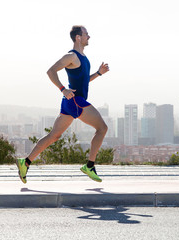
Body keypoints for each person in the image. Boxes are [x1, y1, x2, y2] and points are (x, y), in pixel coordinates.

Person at [16, 25, 109, 183]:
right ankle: (90, 165)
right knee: (102, 128)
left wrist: (99, 73)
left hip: (70, 102)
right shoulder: (71, 56)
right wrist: (62, 89)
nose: (89, 37)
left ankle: (25, 162)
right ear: (78, 37)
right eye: (86, 34)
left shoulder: (83, 58)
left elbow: (84, 80)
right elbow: (51, 71)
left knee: (54, 136)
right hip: (75, 100)